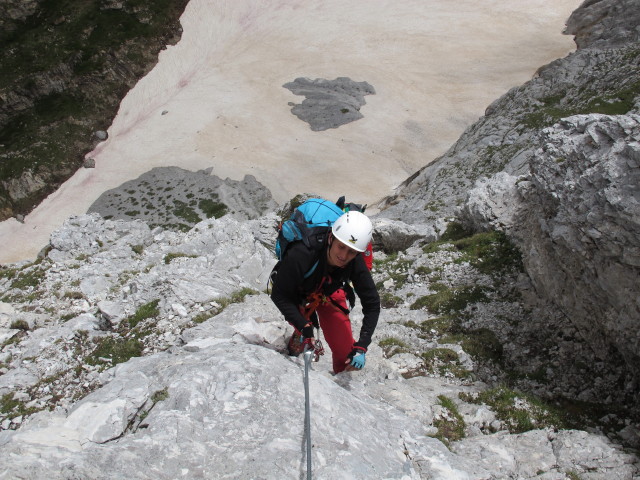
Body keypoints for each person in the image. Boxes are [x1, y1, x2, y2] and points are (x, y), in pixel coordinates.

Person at [270, 210, 380, 373]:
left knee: (345, 353)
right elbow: (279, 294)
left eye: (351, 251)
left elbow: (372, 304)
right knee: (304, 328)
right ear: (331, 238)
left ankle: (340, 382)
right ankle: (300, 334)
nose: (343, 255)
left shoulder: (355, 261)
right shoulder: (303, 252)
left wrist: (362, 345)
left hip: (328, 291)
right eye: (341, 247)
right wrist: (303, 325)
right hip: (298, 290)